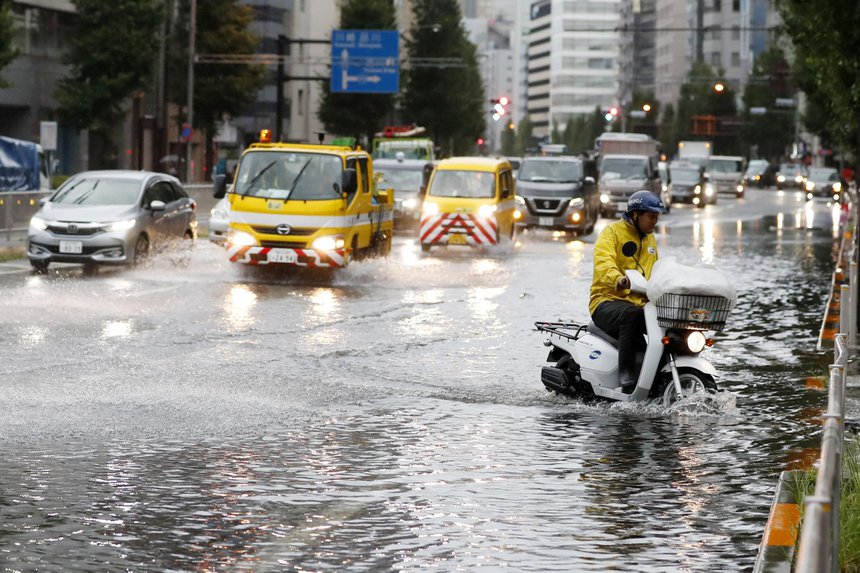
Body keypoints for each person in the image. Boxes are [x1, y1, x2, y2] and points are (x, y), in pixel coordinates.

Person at [589, 190, 666, 391]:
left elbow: (655, 271)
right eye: (651, 216)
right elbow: (603, 263)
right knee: (631, 315)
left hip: (639, 305)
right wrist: (619, 279)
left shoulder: (650, 239)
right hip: (606, 301)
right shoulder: (611, 232)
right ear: (635, 214)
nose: (654, 221)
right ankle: (626, 377)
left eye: (657, 217)